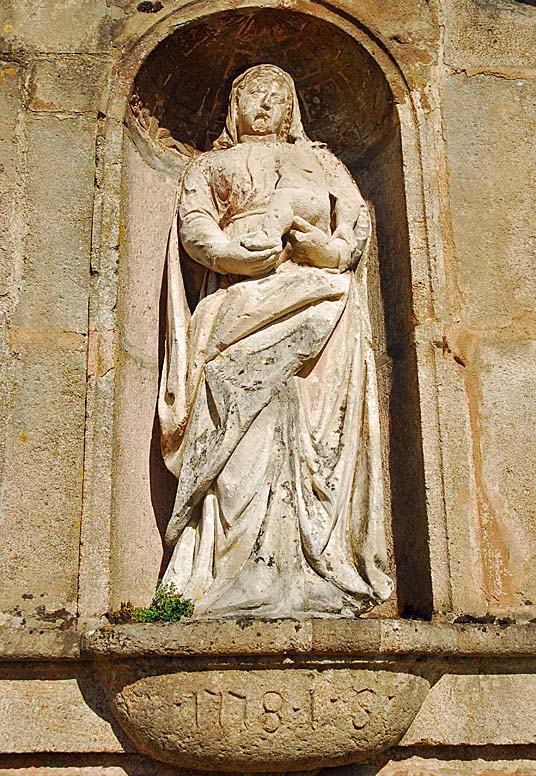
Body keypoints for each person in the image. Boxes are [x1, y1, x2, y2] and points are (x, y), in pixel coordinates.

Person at [158, 64, 393, 617]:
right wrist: (231, 255)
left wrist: (325, 252)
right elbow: (196, 227)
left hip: (320, 302)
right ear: (233, 108)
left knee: (312, 428)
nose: (264, 105)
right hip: (240, 301)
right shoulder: (211, 165)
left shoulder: (323, 163)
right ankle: (230, 571)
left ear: (292, 111)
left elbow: (354, 231)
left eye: (276, 97)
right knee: (237, 414)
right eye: (253, 96)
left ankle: (314, 570)